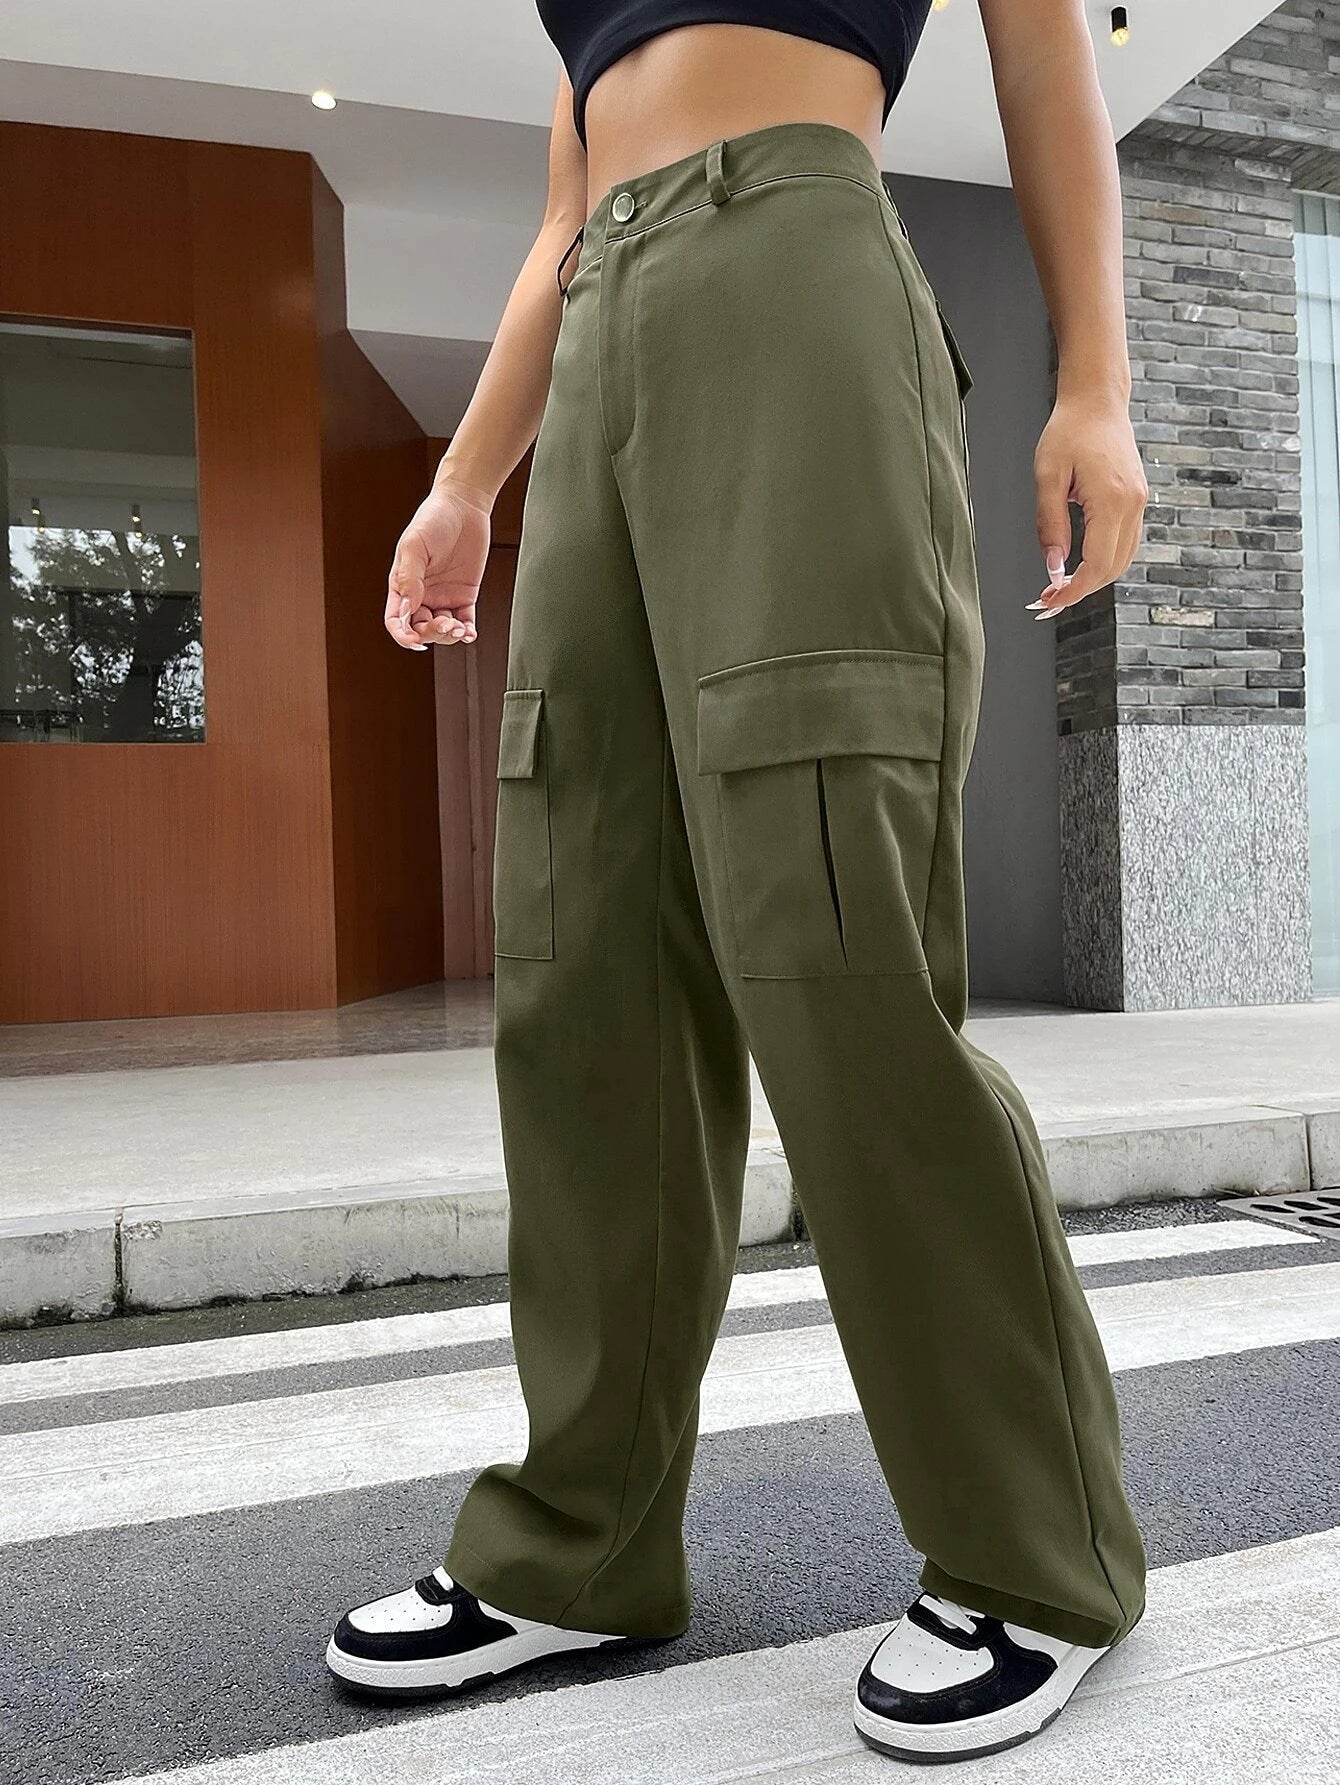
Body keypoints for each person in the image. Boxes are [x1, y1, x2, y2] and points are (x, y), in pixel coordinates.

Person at [325, 0, 1150, 1762]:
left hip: (796, 273)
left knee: (832, 929)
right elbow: (566, 213)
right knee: (581, 962)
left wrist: (1096, 380)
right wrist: (468, 482)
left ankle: (1037, 1548)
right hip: (602, 334)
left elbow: (1044, 52)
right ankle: (580, 1541)